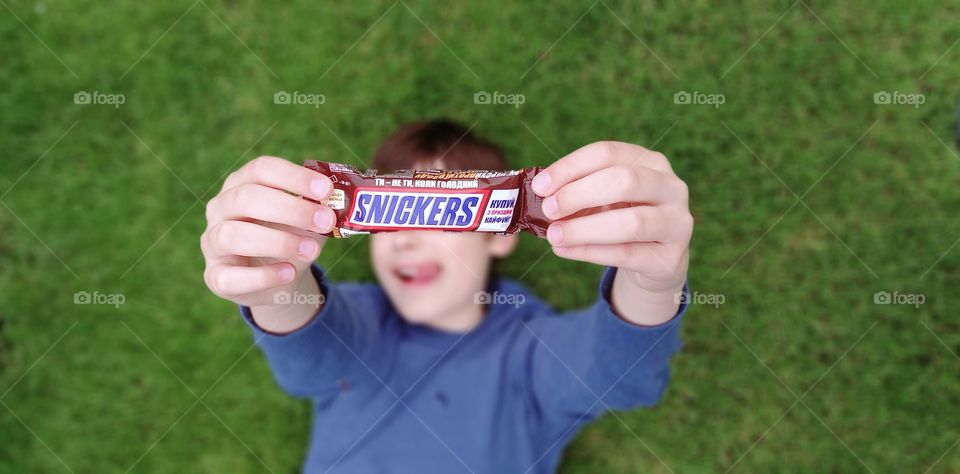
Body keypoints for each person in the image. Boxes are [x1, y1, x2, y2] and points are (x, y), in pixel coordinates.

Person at [200, 119, 693, 473]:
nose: (404, 238)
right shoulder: (363, 323)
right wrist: (274, 275)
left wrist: (653, 282)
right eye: (388, 215)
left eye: (438, 214)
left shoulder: (531, 356)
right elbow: (309, 344)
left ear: (499, 232)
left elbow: (617, 367)